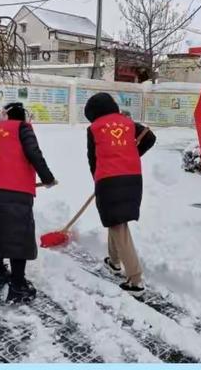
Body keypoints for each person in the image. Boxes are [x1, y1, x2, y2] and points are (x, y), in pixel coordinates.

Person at [0, 102, 57, 303]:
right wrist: (47, 178)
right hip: (14, 190)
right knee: (16, 238)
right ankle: (18, 286)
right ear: (23, 118)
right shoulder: (22, 128)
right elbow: (33, 153)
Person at [85, 93, 156, 297]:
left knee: (117, 224)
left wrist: (97, 179)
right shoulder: (128, 123)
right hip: (133, 178)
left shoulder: (94, 129)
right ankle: (114, 262)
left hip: (109, 179)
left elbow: (92, 158)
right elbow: (150, 137)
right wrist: (130, 154)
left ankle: (135, 280)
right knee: (116, 220)